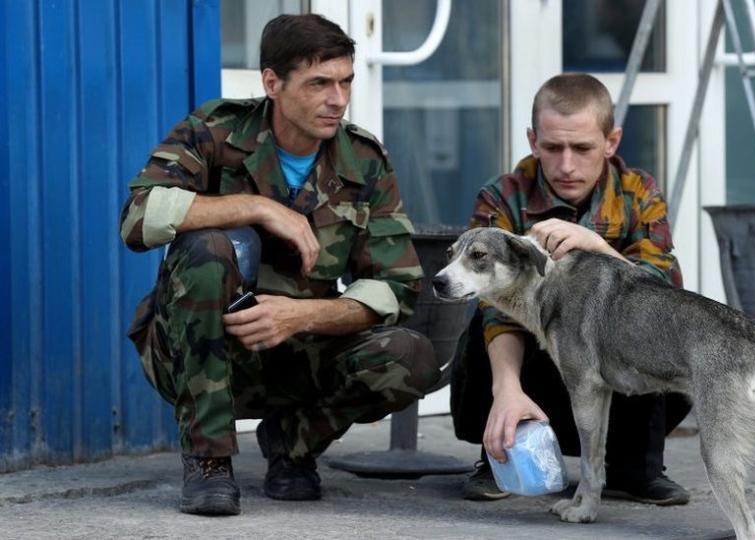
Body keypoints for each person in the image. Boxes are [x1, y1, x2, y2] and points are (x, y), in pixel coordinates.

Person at [120, 14, 439, 516]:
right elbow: (137, 218)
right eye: (319, 83)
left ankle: (292, 447)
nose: (338, 99)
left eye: (345, 81)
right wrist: (259, 207)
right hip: (203, 348)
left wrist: (300, 315)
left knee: (412, 355)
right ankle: (209, 461)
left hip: (299, 349)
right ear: (272, 82)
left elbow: (395, 287)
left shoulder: (363, 159)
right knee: (205, 249)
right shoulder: (215, 131)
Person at [450, 73, 692, 504]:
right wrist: (506, 388)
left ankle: (635, 467)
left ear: (611, 141)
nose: (566, 165)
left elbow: (665, 296)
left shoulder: (638, 193)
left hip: (620, 369)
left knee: (660, 331)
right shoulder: (503, 197)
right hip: (536, 372)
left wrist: (598, 247)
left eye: (582, 148)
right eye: (552, 147)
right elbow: (491, 308)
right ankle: (501, 454)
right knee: (485, 325)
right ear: (532, 140)